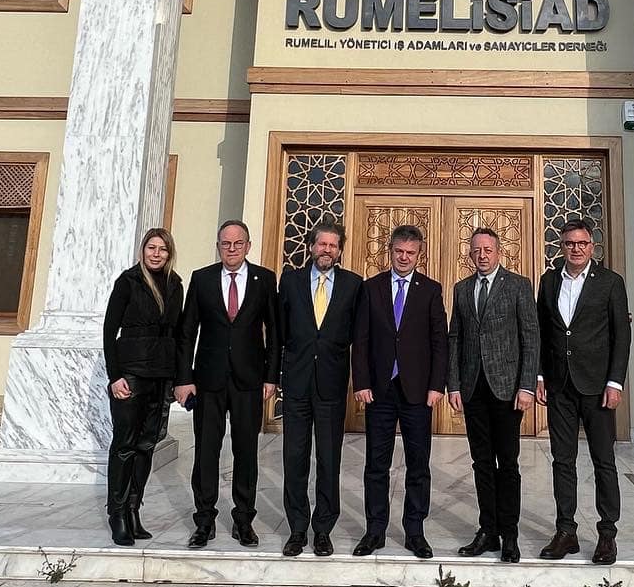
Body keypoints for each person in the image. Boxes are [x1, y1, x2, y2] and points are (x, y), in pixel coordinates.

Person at [172, 219, 279, 550]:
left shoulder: (264, 279)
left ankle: (243, 520)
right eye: (225, 244)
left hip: (249, 380)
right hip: (209, 381)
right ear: (218, 246)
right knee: (206, 451)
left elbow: (275, 333)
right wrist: (184, 378)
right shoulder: (202, 279)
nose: (232, 249)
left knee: (246, 451)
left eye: (238, 243)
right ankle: (204, 521)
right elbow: (187, 332)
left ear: (248, 246)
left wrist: (271, 377)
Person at [535, 218, 631, 565]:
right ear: (561, 247)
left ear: (592, 247)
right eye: (569, 243)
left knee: (603, 460)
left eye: (582, 243)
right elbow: (541, 332)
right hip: (559, 386)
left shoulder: (610, 282)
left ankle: (607, 534)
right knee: (563, 460)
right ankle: (566, 531)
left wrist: (615, 382)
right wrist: (540, 375)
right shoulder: (549, 281)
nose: (576, 249)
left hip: (597, 387)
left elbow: (622, 336)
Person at [350, 224, 447, 559]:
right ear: (390, 251)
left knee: (418, 465)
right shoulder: (371, 287)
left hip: (418, 392)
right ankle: (374, 530)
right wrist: (361, 382)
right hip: (379, 390)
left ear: (419, 255)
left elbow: (439, 342)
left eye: (410, 253)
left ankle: (415, 532)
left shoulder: (431, 290)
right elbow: (360, 339)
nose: (404, 258)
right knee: (376, 464)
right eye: (399, 251)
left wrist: (436, 385)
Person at [447, 226, 539, 564]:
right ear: (469, 254)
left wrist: (526, 386)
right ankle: (488, 530)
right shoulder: (461, 289)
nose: (482, 255)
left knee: (508, 464)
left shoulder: (518, 285)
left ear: (499, 252)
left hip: (507, 390)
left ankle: (509, 534)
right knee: (481, 462)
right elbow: (455, 338)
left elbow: (531, 336)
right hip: (473, 389)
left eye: (487, 249)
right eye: (476, 250)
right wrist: (454, 385)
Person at [276, 217, 362, 557]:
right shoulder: (291, 281)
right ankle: (297, 528)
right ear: (311, 246)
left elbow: (359, 336)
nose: (327, 250)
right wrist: (274, 376)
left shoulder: (354, 285)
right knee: (294, 457)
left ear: (340, 251)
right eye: (322, 243)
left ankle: (323, 528)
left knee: (328, 459)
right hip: (296, 383)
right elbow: (279, 333)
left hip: (331, 384)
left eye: (333, 245)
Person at [102, 227, 185, 547]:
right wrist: (115, 376)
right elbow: (109, 330)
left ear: (169, 253)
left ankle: (134, 509)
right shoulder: (128, 281)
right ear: (143, 250)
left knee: (147, 445)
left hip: (161, 375)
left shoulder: (175, 285)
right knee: (125, 444)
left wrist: (178, 378)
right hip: (132, 374)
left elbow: (178, 334)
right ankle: (118, 513)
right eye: (151, 247)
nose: (156, 254)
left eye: (162, 249)